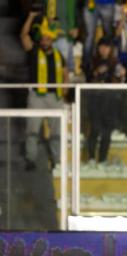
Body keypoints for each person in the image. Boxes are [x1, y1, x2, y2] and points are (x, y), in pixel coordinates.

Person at [20, 13, 68, 171]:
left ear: (52, 40)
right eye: (43, 38)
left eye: (48, 39)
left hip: (55, 96)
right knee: (32, 129)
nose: (44, 41)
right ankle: (30, 158)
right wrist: (31, 17)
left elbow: (65, 71)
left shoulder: (58, 55)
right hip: (37, 96)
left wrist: (65, 87)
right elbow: (24, 35)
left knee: (57, 131)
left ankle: (57, 159)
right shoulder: (34, 51)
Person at [86, 36, 125, 165]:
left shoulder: (115, 63)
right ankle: (91, 158)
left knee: (107, 132)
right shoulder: (92, 61)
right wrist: (96, 72)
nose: (104, 49)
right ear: (98, 48)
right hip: (95, 100)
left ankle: (102, 160)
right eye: (102, 46)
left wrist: (121, 75)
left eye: (107, 47)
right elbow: (87, 78)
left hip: (110, 102)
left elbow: (120, 79)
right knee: (95, 130)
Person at [82, 0, 116, 71]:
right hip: (91, 3)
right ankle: (87, 67)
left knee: (108, 35)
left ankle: (110, 64)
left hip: (108, 3)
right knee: (89, 37)